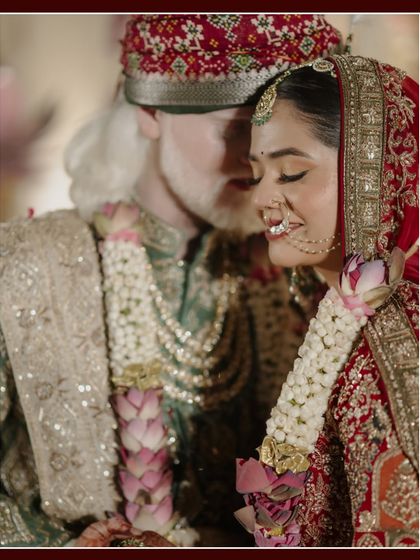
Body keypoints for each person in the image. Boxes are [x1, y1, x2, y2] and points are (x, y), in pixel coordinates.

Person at [0, 15, 343, 547]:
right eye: (235, 128)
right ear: (149, 112)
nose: (257, 162)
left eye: (281, 139)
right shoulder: (23, 262)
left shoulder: (300, 277)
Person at [235, 54, 418, 547]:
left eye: (291, 173)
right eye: (256, 175)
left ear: (374, 177)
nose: (260, 199)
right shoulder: (353, 319)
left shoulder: (387, 350)